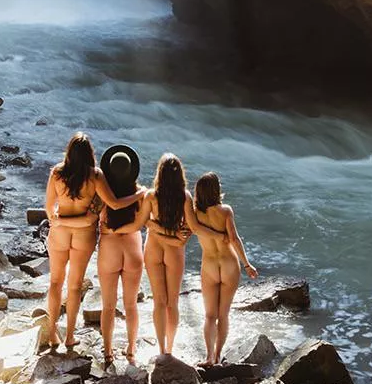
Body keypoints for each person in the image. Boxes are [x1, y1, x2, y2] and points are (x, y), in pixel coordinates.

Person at [44, 132, 142, 352]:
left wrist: (60, 221)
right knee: (75, 285)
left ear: (69, 152)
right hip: (83, 235)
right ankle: (69, 336)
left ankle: (52, 332)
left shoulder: (57, 173)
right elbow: (114, 204)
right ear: (89, 154)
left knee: (55, 282)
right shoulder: (95, 176)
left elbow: (50, 210)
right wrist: (140, 195)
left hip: (59, 234)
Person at [140, 152, 211, 358]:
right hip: (174, 252)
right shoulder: (185, 197)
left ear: (159, 174)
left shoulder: (151, 196)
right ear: (180, 175)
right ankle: (170, 347)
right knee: (172, 302)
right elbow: (189, 230)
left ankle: (161, 349)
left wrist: (157, 230)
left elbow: (145, 222)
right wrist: (173, 235)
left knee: (158, 302)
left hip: (153, 247)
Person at [190, 171, 258, 366]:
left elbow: (190, 230)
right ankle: (218, 356)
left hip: (209, 265)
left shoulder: (195, 214)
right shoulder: (226, 211)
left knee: (210, 315)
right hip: (229, 263)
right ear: (216, 190)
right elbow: (235, 239)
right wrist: (247, 264)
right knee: (223, 314)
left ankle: (209, 357)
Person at [96, 144, 147, 367]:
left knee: (108, 305)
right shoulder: (141, 193)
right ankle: (131, 348)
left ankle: (108, 352)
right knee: (131, 305)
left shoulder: (102, 194)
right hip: (133, 248)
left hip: (109, 249)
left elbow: (93, 219)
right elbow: (144, 223)